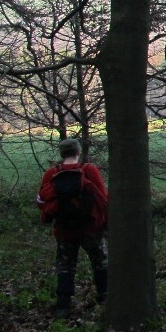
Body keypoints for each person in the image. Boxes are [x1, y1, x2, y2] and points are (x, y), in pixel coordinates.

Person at [36, 137, 109, 319]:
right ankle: (105, 300)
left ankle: (63, 306)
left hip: (65, 230)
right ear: (78, 152)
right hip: (92, 228)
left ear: (62, 154)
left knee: (65, 266)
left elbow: (41, 201)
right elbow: (103, 198)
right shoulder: (89, 170)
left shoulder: (51, 173)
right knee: (100, 262)